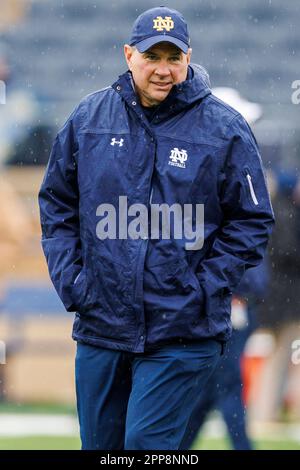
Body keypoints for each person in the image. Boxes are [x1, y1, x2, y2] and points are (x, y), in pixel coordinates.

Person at [38, 6, 274, 450]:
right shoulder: (88, 120)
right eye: (152, 56)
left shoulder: (226, 129)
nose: (163, 70)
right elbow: (57, 206)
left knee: (147, 444)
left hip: (183, 330)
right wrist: (74, 283)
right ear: (129, 55)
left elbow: (252, 219)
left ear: (189, 57)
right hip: (102, 325)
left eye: (174, 57)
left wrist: (203, 288)